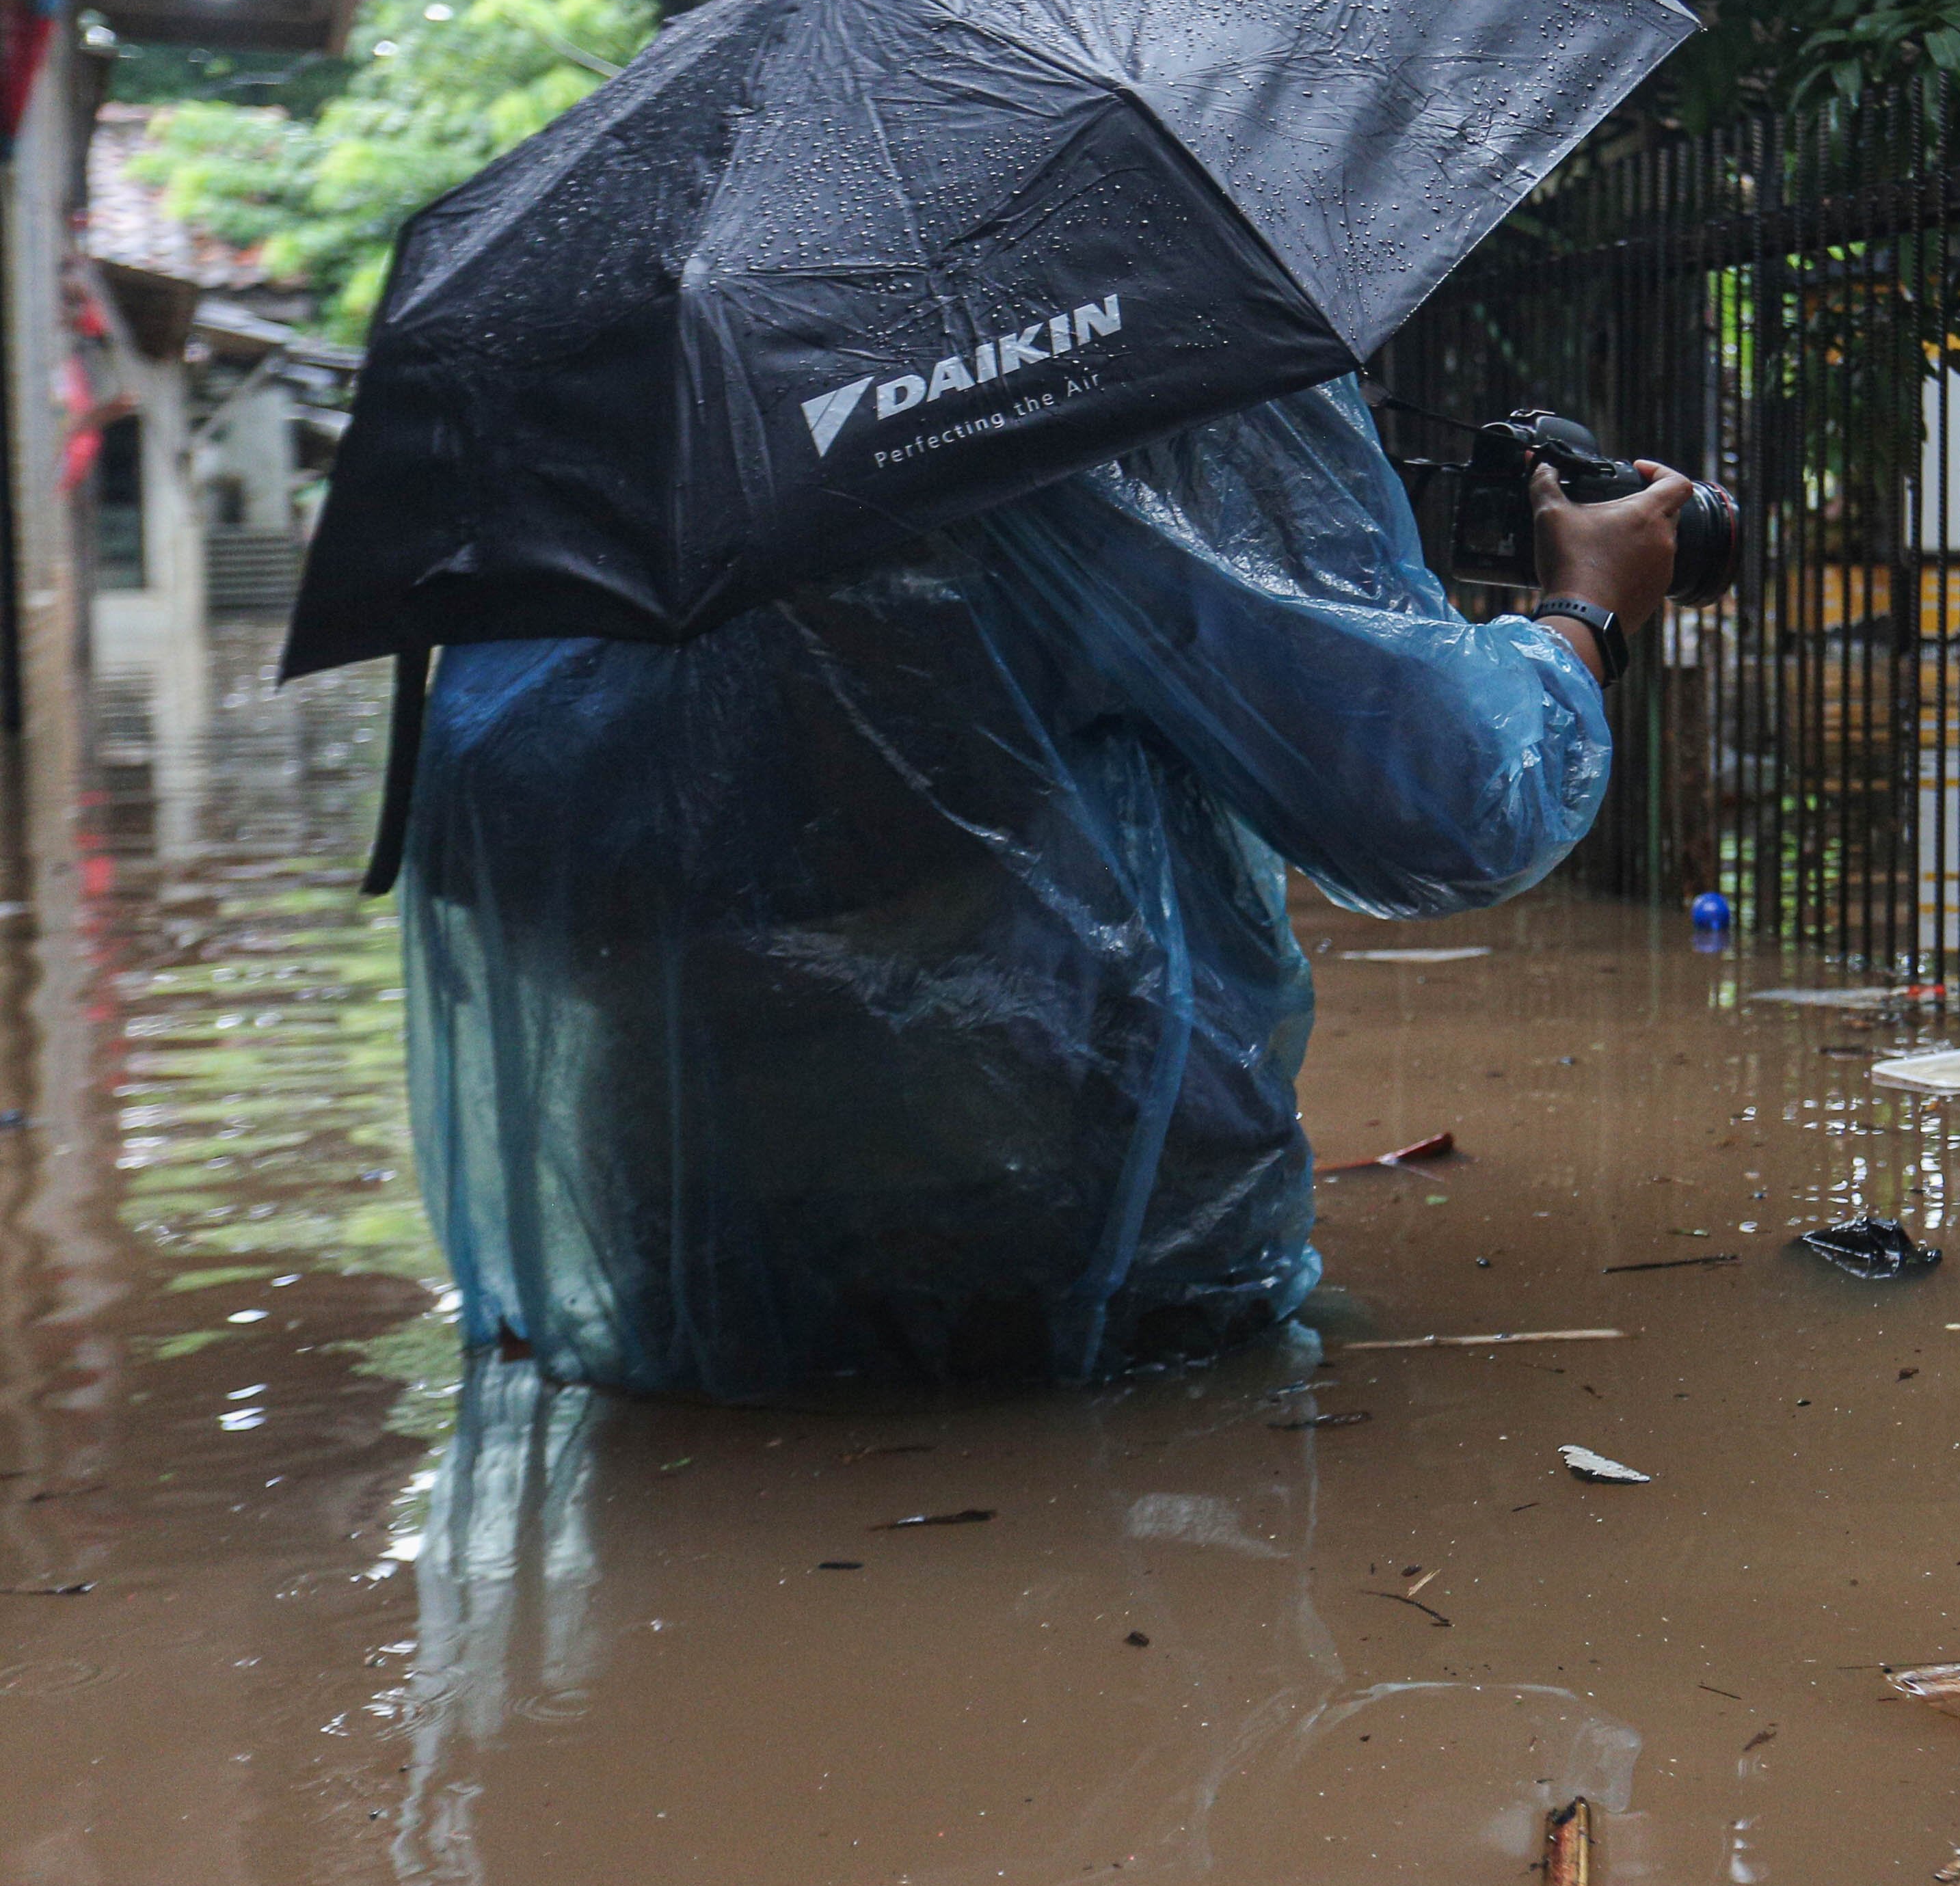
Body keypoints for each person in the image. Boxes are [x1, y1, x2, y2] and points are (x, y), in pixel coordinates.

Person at [393, 377, 1693, 1398]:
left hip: (685, 1291)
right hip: (1089, 1268)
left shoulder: (595, 423)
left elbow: (496, 848)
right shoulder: (1137, 391)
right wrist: (1584, 606)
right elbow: (1447, 807)